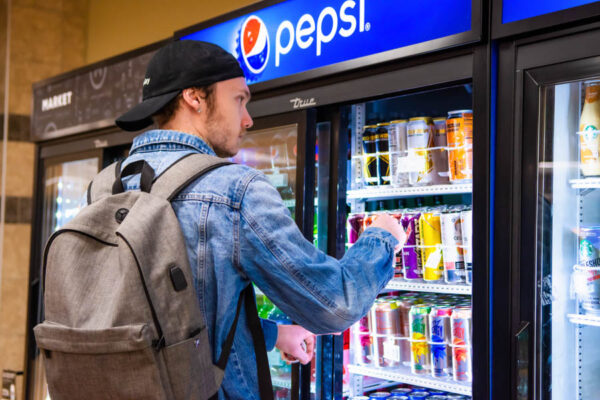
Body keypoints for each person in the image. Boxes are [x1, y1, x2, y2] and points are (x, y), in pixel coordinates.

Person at [115, 40, 406, 400]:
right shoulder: (234, 190)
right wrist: (381, 238)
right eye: (239, 99)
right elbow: (335, 304)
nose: (249, 118)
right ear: (194, 98)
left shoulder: (107, 185)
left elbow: (172, 318)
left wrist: (273, 334)